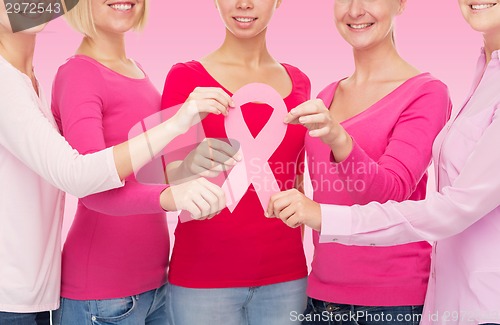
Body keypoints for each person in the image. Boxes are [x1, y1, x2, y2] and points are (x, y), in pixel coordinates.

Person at [268, 0, 500, 324]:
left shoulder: (426, 93)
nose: (355, 9)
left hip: (390, 304)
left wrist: (340, 140)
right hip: (320, 296)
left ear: (401, 3)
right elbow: (304, 183)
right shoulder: (325, 95)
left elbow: (391, 193)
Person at [0, 1, 230, 324]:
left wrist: (190, 167)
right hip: (90, 293)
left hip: (131, 284)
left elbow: (137, 173)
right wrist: (174, 131)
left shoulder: (30, 81)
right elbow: (83, 178)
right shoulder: (61, 75)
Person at [161, 0, 311, 324]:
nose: (244, 3)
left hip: (286, 276)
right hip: (202, 280)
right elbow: (168, 177)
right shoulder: (185, 78)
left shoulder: (300, 83)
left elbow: (297, 179)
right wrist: (191, 165)